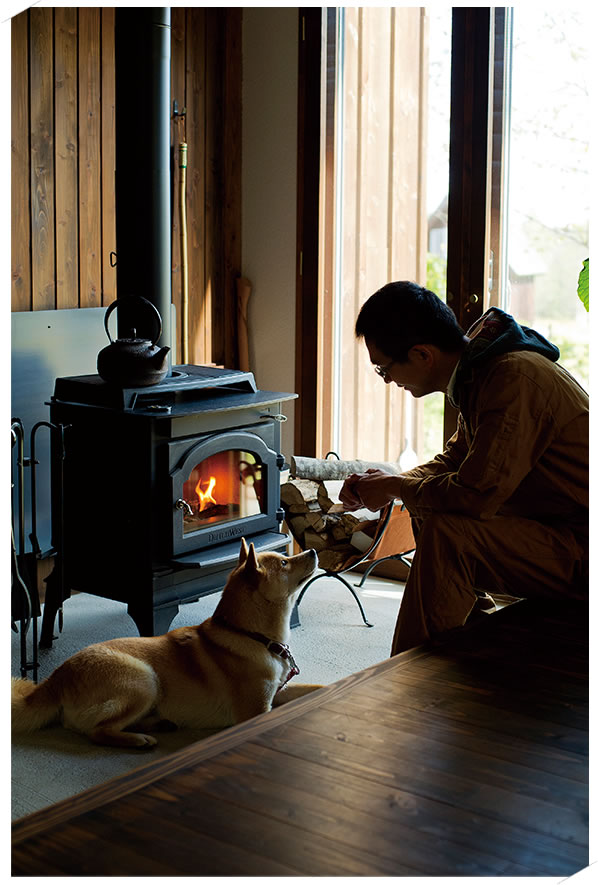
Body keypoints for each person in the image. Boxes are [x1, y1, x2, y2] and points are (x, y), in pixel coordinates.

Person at [339, 280, 589, 654]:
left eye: (383, 369)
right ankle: (472, 642)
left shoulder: (512, 378)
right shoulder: (483, 371)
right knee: (433, 511)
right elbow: (455, 462)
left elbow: (476, 495)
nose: (388, 380)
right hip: (558, 531)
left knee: (449, 531)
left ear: (423, 355)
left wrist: (395, 488)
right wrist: (390, 482)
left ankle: (408, 689)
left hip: (583, 547)